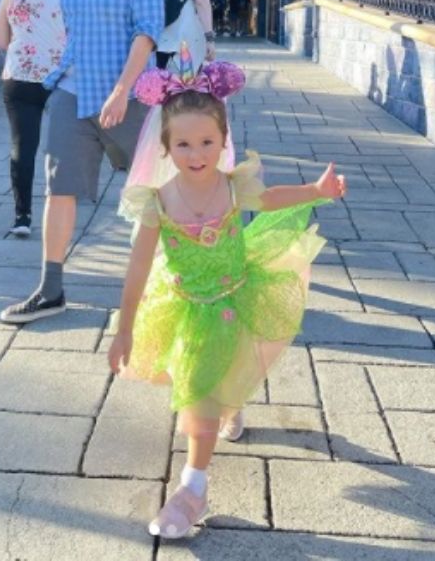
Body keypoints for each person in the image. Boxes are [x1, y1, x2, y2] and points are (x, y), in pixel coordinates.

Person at [108, 56, 346, 539]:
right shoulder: (157, 202)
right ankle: (193, 489)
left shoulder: (235, 188)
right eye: (183, 144)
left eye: (207, 142)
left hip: (239, 296)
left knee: (231, 372)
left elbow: (271, 198)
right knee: (199, 391)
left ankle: (225, 418)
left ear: (223, 140)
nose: (197, 154)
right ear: (166, 147)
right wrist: (124, 328)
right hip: (188, 309)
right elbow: (138, 267)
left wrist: (315, 191)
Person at [0, 0, 165, 324]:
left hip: (126, 95)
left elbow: (147, 30)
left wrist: (122, 90)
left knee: (155, 191)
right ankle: (50, 290)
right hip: (73, 91)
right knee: (59, 188)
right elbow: (72, 32)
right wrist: (54, 77)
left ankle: (174, 282)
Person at [0, 0, 65, 237]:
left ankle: (22, 215)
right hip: (59, 76)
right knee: (64, 145)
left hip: (20, 75)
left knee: (22, 147)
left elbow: (0, 41)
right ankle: (64, 202)